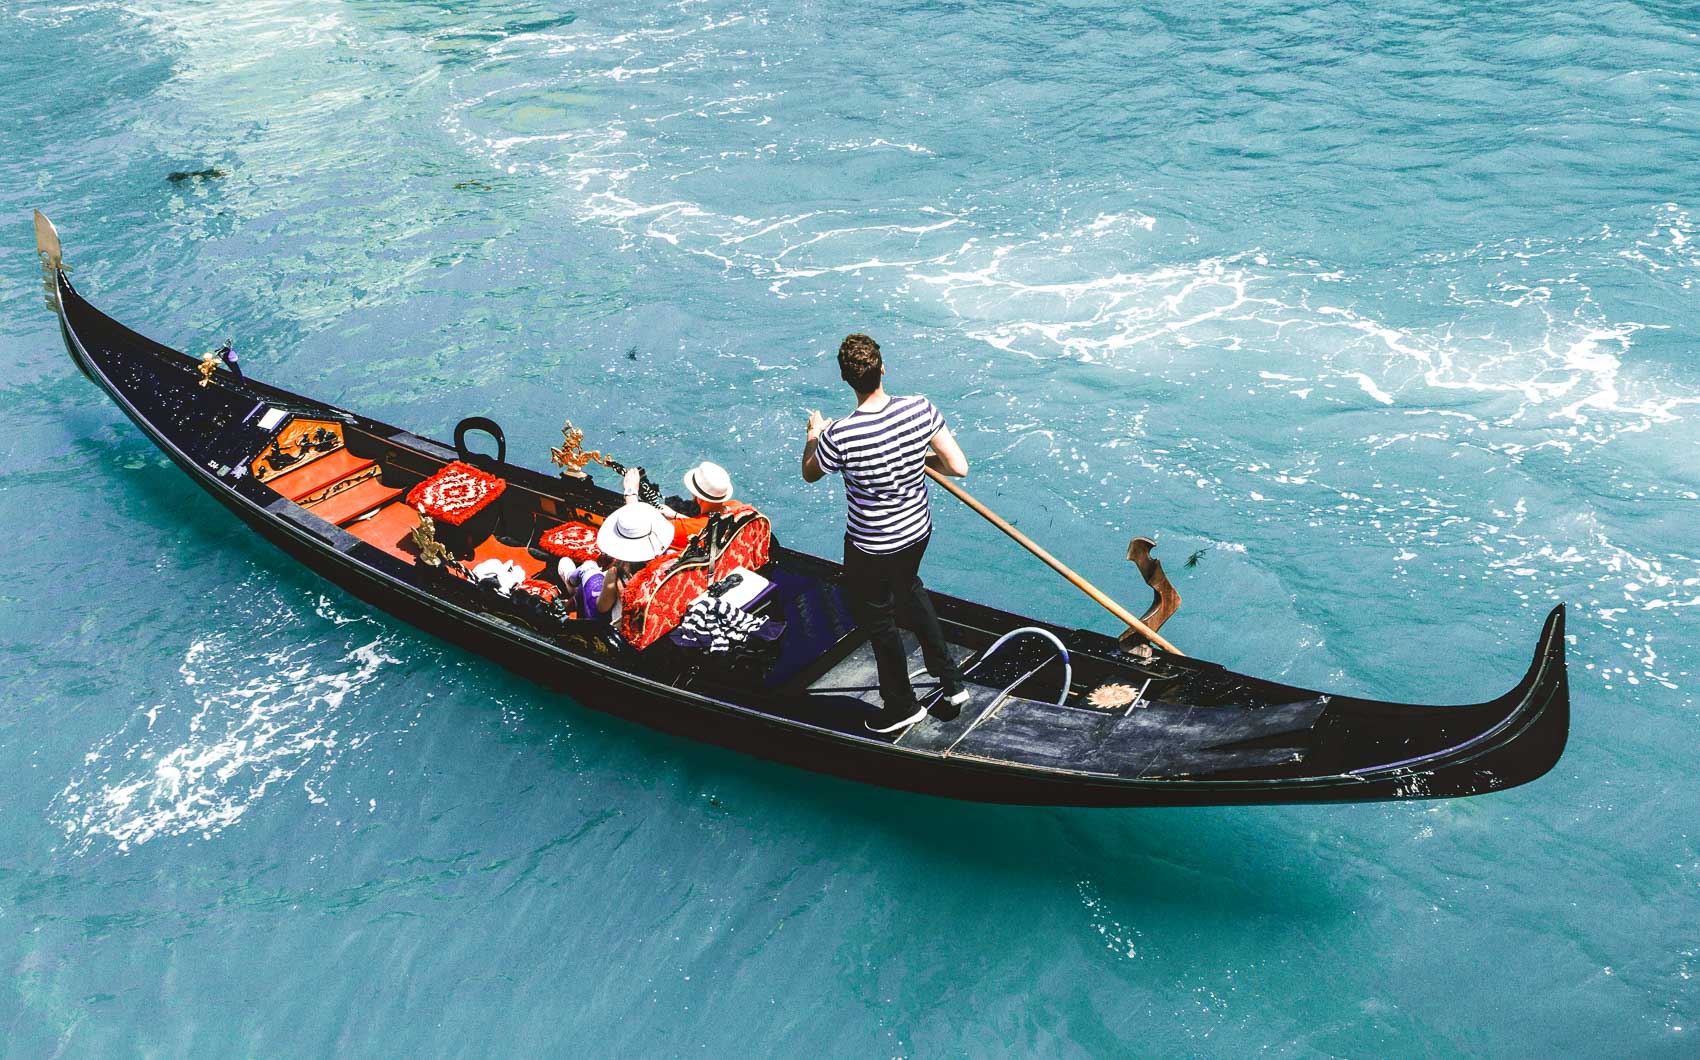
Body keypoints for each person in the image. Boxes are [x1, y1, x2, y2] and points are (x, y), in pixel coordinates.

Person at [801, 332, 971, 733]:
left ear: (846, 380)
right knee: (910, 588)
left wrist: (813, 434)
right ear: (883, 368)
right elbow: (957, 466)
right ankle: (951, 681)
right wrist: (913, 456)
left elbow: (811, 472)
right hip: (916, 532)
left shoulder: (839, 434)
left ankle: (901, 706)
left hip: (871, 546)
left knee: (879, 621)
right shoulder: (920, 409)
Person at [563, 502, 673, 624]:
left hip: (620, 627)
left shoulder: (616, 574)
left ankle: (570, 582)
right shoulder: (670, 563)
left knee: (589, 567)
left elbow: (602, 607)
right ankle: (574, 588)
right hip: (654, 624)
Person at [621, 461, 749, 549]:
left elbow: (637, 531)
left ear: (697, 496)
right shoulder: (736, 507)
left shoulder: (683, 529)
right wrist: (676, 515)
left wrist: (630, 492)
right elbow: (707, 525)